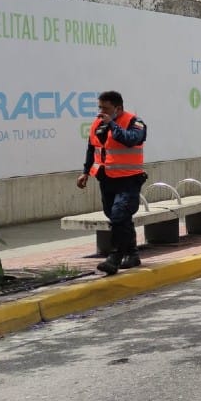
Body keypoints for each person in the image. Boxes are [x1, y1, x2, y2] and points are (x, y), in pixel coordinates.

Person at [75, 91, 147, 275]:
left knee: (118, 215)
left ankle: (114, 257)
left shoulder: (135, 122)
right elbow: (92, 148)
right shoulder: (98, 124)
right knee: (116, 217)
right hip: (106, 178)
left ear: (118, 108)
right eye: (100, 107)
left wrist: (112, 125)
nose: (101, 112)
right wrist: (85, 172)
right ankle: (132, 254)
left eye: (105, 108)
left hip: (129, 179)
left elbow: (131, 140)